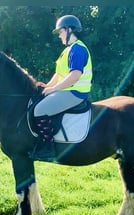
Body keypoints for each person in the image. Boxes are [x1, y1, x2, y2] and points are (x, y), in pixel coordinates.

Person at [31, 14, 93, 161]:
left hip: (75, 92)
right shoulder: (67, 50)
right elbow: (59, 74)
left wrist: (54, 89)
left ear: (69, 30)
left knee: (39, 110)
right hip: (68, 90)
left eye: (60, 31)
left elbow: (75, 75)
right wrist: (48, 85)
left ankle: (48, 148)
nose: (59, 35)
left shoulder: (77, 49)